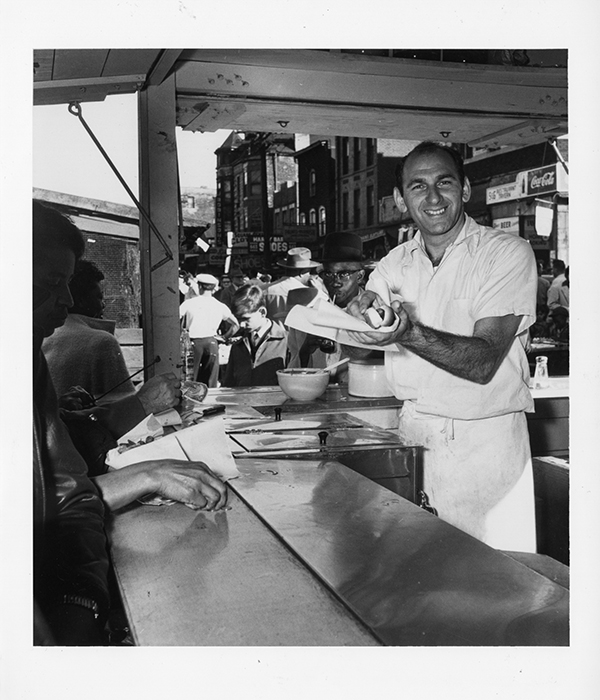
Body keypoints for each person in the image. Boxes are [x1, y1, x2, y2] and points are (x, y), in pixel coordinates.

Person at [346, 142, 538, 552]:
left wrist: (405, 332)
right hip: (414, 434)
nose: (433, 198)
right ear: (401, 199)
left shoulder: (506, 253)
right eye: (418, 187)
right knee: (420, 579)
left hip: (485, 446)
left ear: (465, 189)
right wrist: (356, 316)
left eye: (444, 182)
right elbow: (367, 337)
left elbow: (483, 361)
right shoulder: (392, 265)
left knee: (495, 585)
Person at [34, 202, 227, 527]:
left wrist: (64, 417)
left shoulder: (28, 352)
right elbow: (33, 504)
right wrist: (150, 473)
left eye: (67, 283)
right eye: (53, 283)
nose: (67, 300)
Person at [33, 200, 111, 644]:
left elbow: (68, 494)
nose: (67, 298)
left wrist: (81, 601)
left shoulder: (28, 360)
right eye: (51, 283)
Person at [43, 259, 136, 400]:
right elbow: (128, 406)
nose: (103, 305)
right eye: (99, 297)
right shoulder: (102, 342)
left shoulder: (46, 336)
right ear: (80, 300)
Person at [222, 284, 288, 387]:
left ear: (262, 312)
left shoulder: (285, 342)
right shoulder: (239, 344)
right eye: (238, 319)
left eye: (246, 319)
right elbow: (229, 382)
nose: (241, 325)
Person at [179, 273, 239, 387]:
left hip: (193, 343)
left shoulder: (189, 303)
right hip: (211, 342)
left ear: (200, 286)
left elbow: (175, 317)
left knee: (190, 378)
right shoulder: (220, 305)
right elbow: (236, 324)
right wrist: (225, 337)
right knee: (211, 379)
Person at [264, 247, 328, 322]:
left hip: (269, 332)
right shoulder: (312, 294)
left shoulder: (263, 290)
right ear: (302, 273)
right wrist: (321, 290)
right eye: (309, 272)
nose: (310, 275)